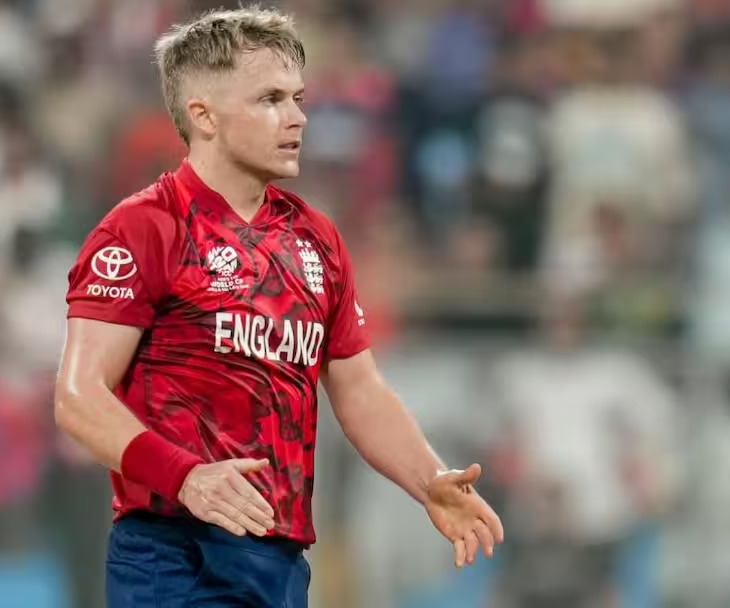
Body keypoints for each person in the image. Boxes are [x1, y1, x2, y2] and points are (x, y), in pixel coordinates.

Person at [54, 7, 504, 607]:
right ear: (204, 116)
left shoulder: (316, 239)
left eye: (297, 98)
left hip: (280, 560)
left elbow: (360, 390)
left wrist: (430, 480)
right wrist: (184, 477)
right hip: (174, 550)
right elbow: (79, 397)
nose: (297, 117)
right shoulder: (145, 227)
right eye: (270, 99)